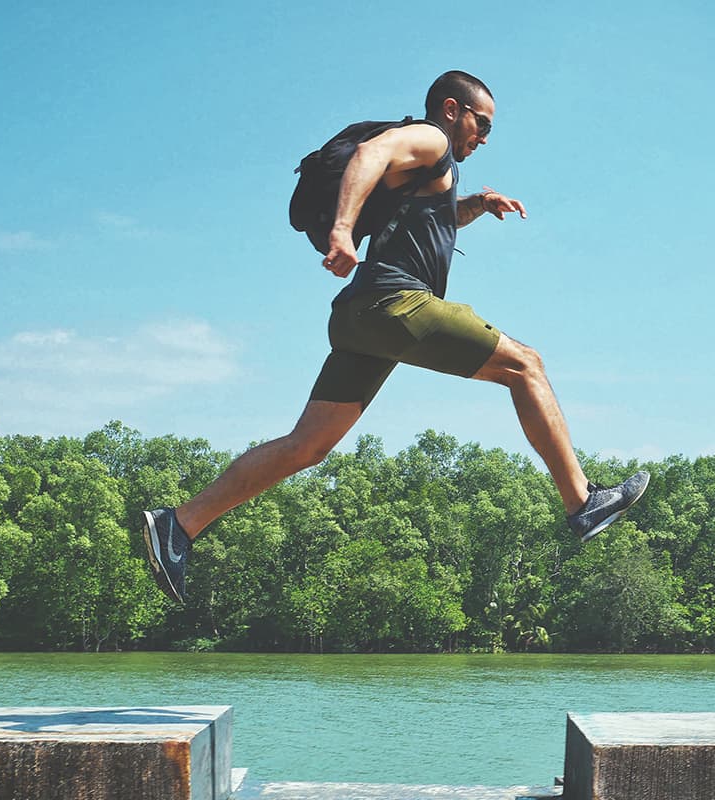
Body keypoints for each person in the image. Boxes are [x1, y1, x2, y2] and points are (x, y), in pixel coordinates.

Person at [142, 70, 649, 603]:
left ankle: (180, 524)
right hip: (394, 303)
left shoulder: (429, 169)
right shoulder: (429, 137)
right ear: (452, 110)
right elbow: (371, 154)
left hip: (361, 317)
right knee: (526, 364)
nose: (484, 138)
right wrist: (342, 229)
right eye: (482, 125)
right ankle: (582, 501)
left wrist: (476, 206)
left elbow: (430, 218)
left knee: (307, 446)